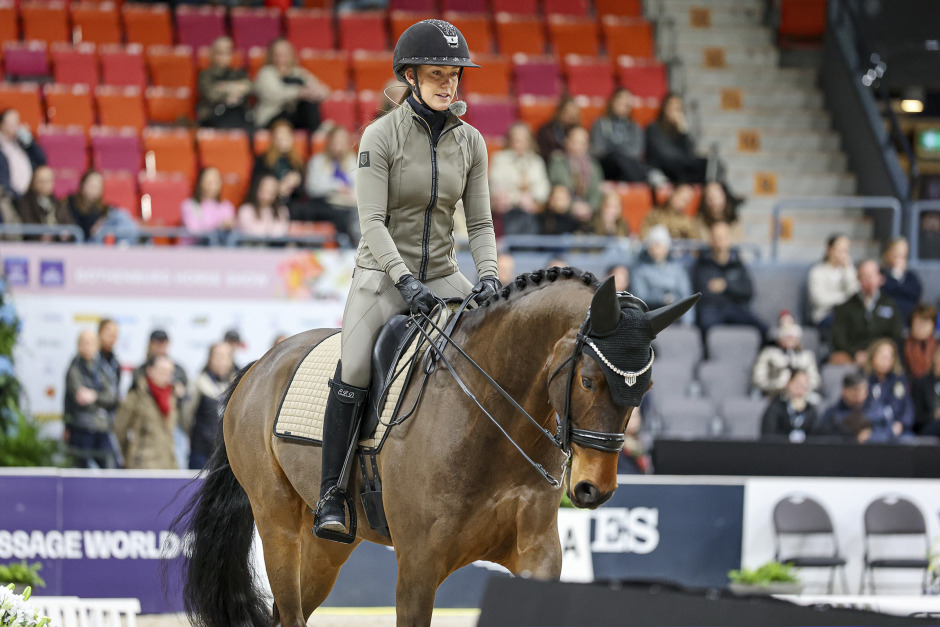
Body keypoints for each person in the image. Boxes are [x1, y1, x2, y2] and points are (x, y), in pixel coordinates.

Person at [313, 19, 500, 541]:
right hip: (381, 278)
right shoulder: (380, 136)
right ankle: (331, 494)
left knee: (500, 336)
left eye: (455, 75)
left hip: (443, 275)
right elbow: (370, 224)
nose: (448, 83)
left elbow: (481, 224)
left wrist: (487, 277)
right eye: (436, 73)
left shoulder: (473, 143)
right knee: (353, 366)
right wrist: (403, 281)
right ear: (411, 77)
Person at [691, 222, 768, 343]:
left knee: (764, 328)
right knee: (705, 325)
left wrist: (726, 286)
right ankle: (707, 357)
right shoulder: (702, 264)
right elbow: (701, 293)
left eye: (723, 237)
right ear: (711, 240)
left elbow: (747, 291)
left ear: (729, 239)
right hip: (711, 309)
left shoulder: (737, 264)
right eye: (716, 237)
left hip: (735, 308)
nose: (720, 241)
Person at [829, 259, 904, 365]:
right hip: (855, 358)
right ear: (858, 279)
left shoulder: (890, 304)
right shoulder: (845, 307)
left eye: (873, 275)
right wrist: (855, 353)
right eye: (865, 276)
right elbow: (839, 339)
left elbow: (897, 334)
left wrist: (881, 352)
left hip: (884, 356)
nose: (869, 280)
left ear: (880, 277)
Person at [63, 330, 119, 468]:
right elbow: (81, 397)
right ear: (78, 345)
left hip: (102, 427)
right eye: (83, 343)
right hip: (81, 427)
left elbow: (112, 397)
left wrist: (94, 396)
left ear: (97, 345)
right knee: (82, 471)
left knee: (113, 466)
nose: (87, 346)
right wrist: (100, 399)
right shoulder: (74, 368)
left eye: (91, 343)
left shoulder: (102, 368)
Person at [115, 355, 179, 469]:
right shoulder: (136, 395)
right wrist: (130, 454)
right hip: (142, 463)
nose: (166, 376)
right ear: (150, 370)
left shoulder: (171, 397)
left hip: (167, 463)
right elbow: (120, 428)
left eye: (169, 372)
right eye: (162, 371)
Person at [488, 122, 550, 236]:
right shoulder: (499, 159)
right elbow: (496, 186)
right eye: (516, 139)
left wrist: (533, 199)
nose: (519, 143)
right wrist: (518, 198)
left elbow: (543, 187)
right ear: (510, 140)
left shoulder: (536, 161)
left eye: (523, 140)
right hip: (507, 210)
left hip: (532, 210)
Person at [254, 38, 328, 131]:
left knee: (310, 102)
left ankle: (316, 136)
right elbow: (274, 94)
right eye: (277, 54)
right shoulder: (266, 73)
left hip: (294, 117)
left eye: (285, 53)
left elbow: (324, 90)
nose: (281, 57)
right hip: (272, 117)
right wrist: (299, 92)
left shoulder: (298, 72)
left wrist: (314, 93)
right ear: (271, 55)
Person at [183, 342, 234, 469]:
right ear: (210, 359)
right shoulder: (199, 384)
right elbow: (185, 416)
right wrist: (196, 435)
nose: (222, 361)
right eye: (218, 357)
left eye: (226, 357)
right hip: (201, 451)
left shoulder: (234, 385)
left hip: (225, 453)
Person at [305, 124, 358, 238]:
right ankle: (343, 242)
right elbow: (312, 188)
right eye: (335, 142)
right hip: (324, 204)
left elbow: (359, 188)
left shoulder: (353, 161)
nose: (338, 146)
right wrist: (337, 187)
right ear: (329, 142)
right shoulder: (317, 161)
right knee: (343, 216)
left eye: (341, 142)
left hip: (348, 204)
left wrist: (351, 195)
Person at [629, 225, 693, 317]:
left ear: (667, 247)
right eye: (653, 245)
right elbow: (640, 297)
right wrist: (663, 299)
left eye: (660, 245)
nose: (656, 249)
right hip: (650, 316)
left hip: (676, 316)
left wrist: (688, 323)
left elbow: (686, 295)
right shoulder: (639, 269)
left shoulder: (677, 269)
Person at [645, 93, 707, 184]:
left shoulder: (680, 131)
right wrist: (685, 159)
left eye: (678, 109)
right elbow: (666, 155)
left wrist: (684, 132)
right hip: (663, 169)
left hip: (681, 168)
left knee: (709, 165)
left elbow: (691, 152)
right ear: (665, 108)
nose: (674, 112)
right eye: (671, 107)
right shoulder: (653, 128)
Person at [590, 87, 649, 183]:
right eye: (620, 99)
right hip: (607, 166)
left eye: (627, 102)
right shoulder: (600, 123)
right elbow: (598, 150)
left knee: (624, 160)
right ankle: (643, 179)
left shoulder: (634, 126)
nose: (623, 103)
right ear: (613, 101)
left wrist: (615, 147)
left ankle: (638, 181)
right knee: (617, 157)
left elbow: (636, 152)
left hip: (628, 166)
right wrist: (617, 151)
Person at [862, 338, 914, 441]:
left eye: (888, 357)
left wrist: (901, 423)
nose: (885, 361)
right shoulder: (864, 379)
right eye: (881, 357)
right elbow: (860, 408)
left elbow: (907, 407)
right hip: (871, 428)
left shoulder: (899, 381)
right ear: (872, 357)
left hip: (896, 428)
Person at [752, 320, 820, 396]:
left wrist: (799, 385)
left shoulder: (806, 356)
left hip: (802, 395)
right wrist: (779, 384)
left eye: (792, 337)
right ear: (779, 339)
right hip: (773, 394)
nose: (790, 340)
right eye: (786, 336)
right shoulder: (769, 354)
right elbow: (759, 379)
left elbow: (815, 380)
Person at [197, 36, 253, 129]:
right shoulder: (205, 75)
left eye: (227, 53)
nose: (224, 57)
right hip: (214, 116)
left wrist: (224, 87)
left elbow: (249, 87)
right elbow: (211, 95)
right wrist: (234, 90)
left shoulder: (237, 73)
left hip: (237, 114)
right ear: (212, 54)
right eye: (220, 53)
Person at [547, 126, 604, 216]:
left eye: (582, 143)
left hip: (588, 210)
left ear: (587, 145)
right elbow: (558, 186)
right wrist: (572, 206)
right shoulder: (558, 161)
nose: (577, 146)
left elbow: (596, 191)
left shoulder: (593, 165)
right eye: (574, 142)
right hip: (564, 209)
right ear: (567, 142)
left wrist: (589, 207)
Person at [67, 170, 136, 243]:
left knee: (120, 215)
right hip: (86, 241)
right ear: (83, 185)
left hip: (101, 235)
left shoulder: (102, 206)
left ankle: (127, 243)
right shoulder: (71, 203)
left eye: (98, 185)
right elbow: (82, 229)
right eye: (92, 184)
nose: (95, 187)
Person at [807, 234, 859, 328]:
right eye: (840, 250)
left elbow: (856, 293)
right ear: (829, 250)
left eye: (846, 250)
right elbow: (820, 300)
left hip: (848, 313)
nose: (843, 254)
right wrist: (846, 297)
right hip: (824, 315)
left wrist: (848, 269)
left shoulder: (849, 270)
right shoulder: (817, 272)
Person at [252, 120, 305, 209]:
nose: (282, 140)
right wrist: (276, 188)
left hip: (292, 204)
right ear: (273, 139)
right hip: (270, 203)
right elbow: (255, 186)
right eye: (278, 137)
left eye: (285, 136)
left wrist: (297, 181)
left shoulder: (298, 162)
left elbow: (304, 193)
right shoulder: (263, 160)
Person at [133, 329, 189, 412]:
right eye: (157, 345)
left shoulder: (178, 371)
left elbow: (186, 399)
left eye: (163, 345)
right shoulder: (140, 371)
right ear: (150, 345)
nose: (160, 349)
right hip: (146, 414)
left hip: (171, 415)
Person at [760, 370, 821, 442]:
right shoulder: (775, 409)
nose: (800, 391)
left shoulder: (811, 411)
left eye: (804, 387)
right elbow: (768, 435)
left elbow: (817, 438)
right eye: (798, 385)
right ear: (789, 384)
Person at [15, 165, 74, 240]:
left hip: (58, 244)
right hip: (34, 246)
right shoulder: (25, 202)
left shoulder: (57, 202)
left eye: (48, 181)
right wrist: (42, 234)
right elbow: (27, 224)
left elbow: (69, 223)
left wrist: (66, 233)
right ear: (33, 182)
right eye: (41, 181)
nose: (44, 185)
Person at [181, 167, 237, 245]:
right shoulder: (190, 205)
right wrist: (219, 225)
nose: (211, 185)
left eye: (215, 181)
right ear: (200, 182)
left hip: (220, 249)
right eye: (208, 181)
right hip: (195, 249)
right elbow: (194, 231)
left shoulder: (226, 206)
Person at [0, 109, 46, 199]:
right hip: (9, 196)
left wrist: (30, 143)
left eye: (17, 122)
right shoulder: (2, 146)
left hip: (27, 194)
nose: (16, 126)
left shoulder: (21, 143)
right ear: (2, 124)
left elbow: (41, 161)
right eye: (12, 123)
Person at [819, 371, 876, 443]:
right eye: (855, 390)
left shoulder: (875, 409)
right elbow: (825, 438)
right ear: (845, 390)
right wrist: (854, 439)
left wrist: (872, 436)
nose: (860, 395)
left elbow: (887, 432)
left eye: (864, 391)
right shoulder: (832, 414)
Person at [880, 237, 922, 324]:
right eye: (897, 254)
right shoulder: (881, 273)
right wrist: (895, 277)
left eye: (903, 256)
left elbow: (916, 293)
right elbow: (884, 291)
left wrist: (898, 277)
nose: (900, 259)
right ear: (889, 253)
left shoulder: (911, 276)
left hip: (907, 319)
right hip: (886, 318)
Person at [237, 174, 290, 238]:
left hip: (274, 246)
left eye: (271, 191)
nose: (267, 195)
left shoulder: (282, 211)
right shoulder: (246, 210)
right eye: (264, 190)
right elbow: (251, 232)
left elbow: (282, 230)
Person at [536, 96, 581, 163]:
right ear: (560, 112)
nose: (572, 117)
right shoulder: (546, 131)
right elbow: (542, 155)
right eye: (569, 113)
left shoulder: (579, 131)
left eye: (574, 114)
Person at [912, 346, 940, 436]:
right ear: (935, 359)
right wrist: (934, 415)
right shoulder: (922, 383)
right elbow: (916, 417)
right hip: (926, 427)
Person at [904, 304, 938, 379]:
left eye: (925, 323)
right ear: (911, 324)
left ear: (933, 325)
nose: (921, 327)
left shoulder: (938, 347)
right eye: (918, 322)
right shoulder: (900, 345)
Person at [97, 318, 121, 398]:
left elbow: (116, 389)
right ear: (99, 334)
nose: (112, 340)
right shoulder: (89, 359)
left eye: (115, 336)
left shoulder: (115, 362)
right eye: (109, 335)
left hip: (112, 407)